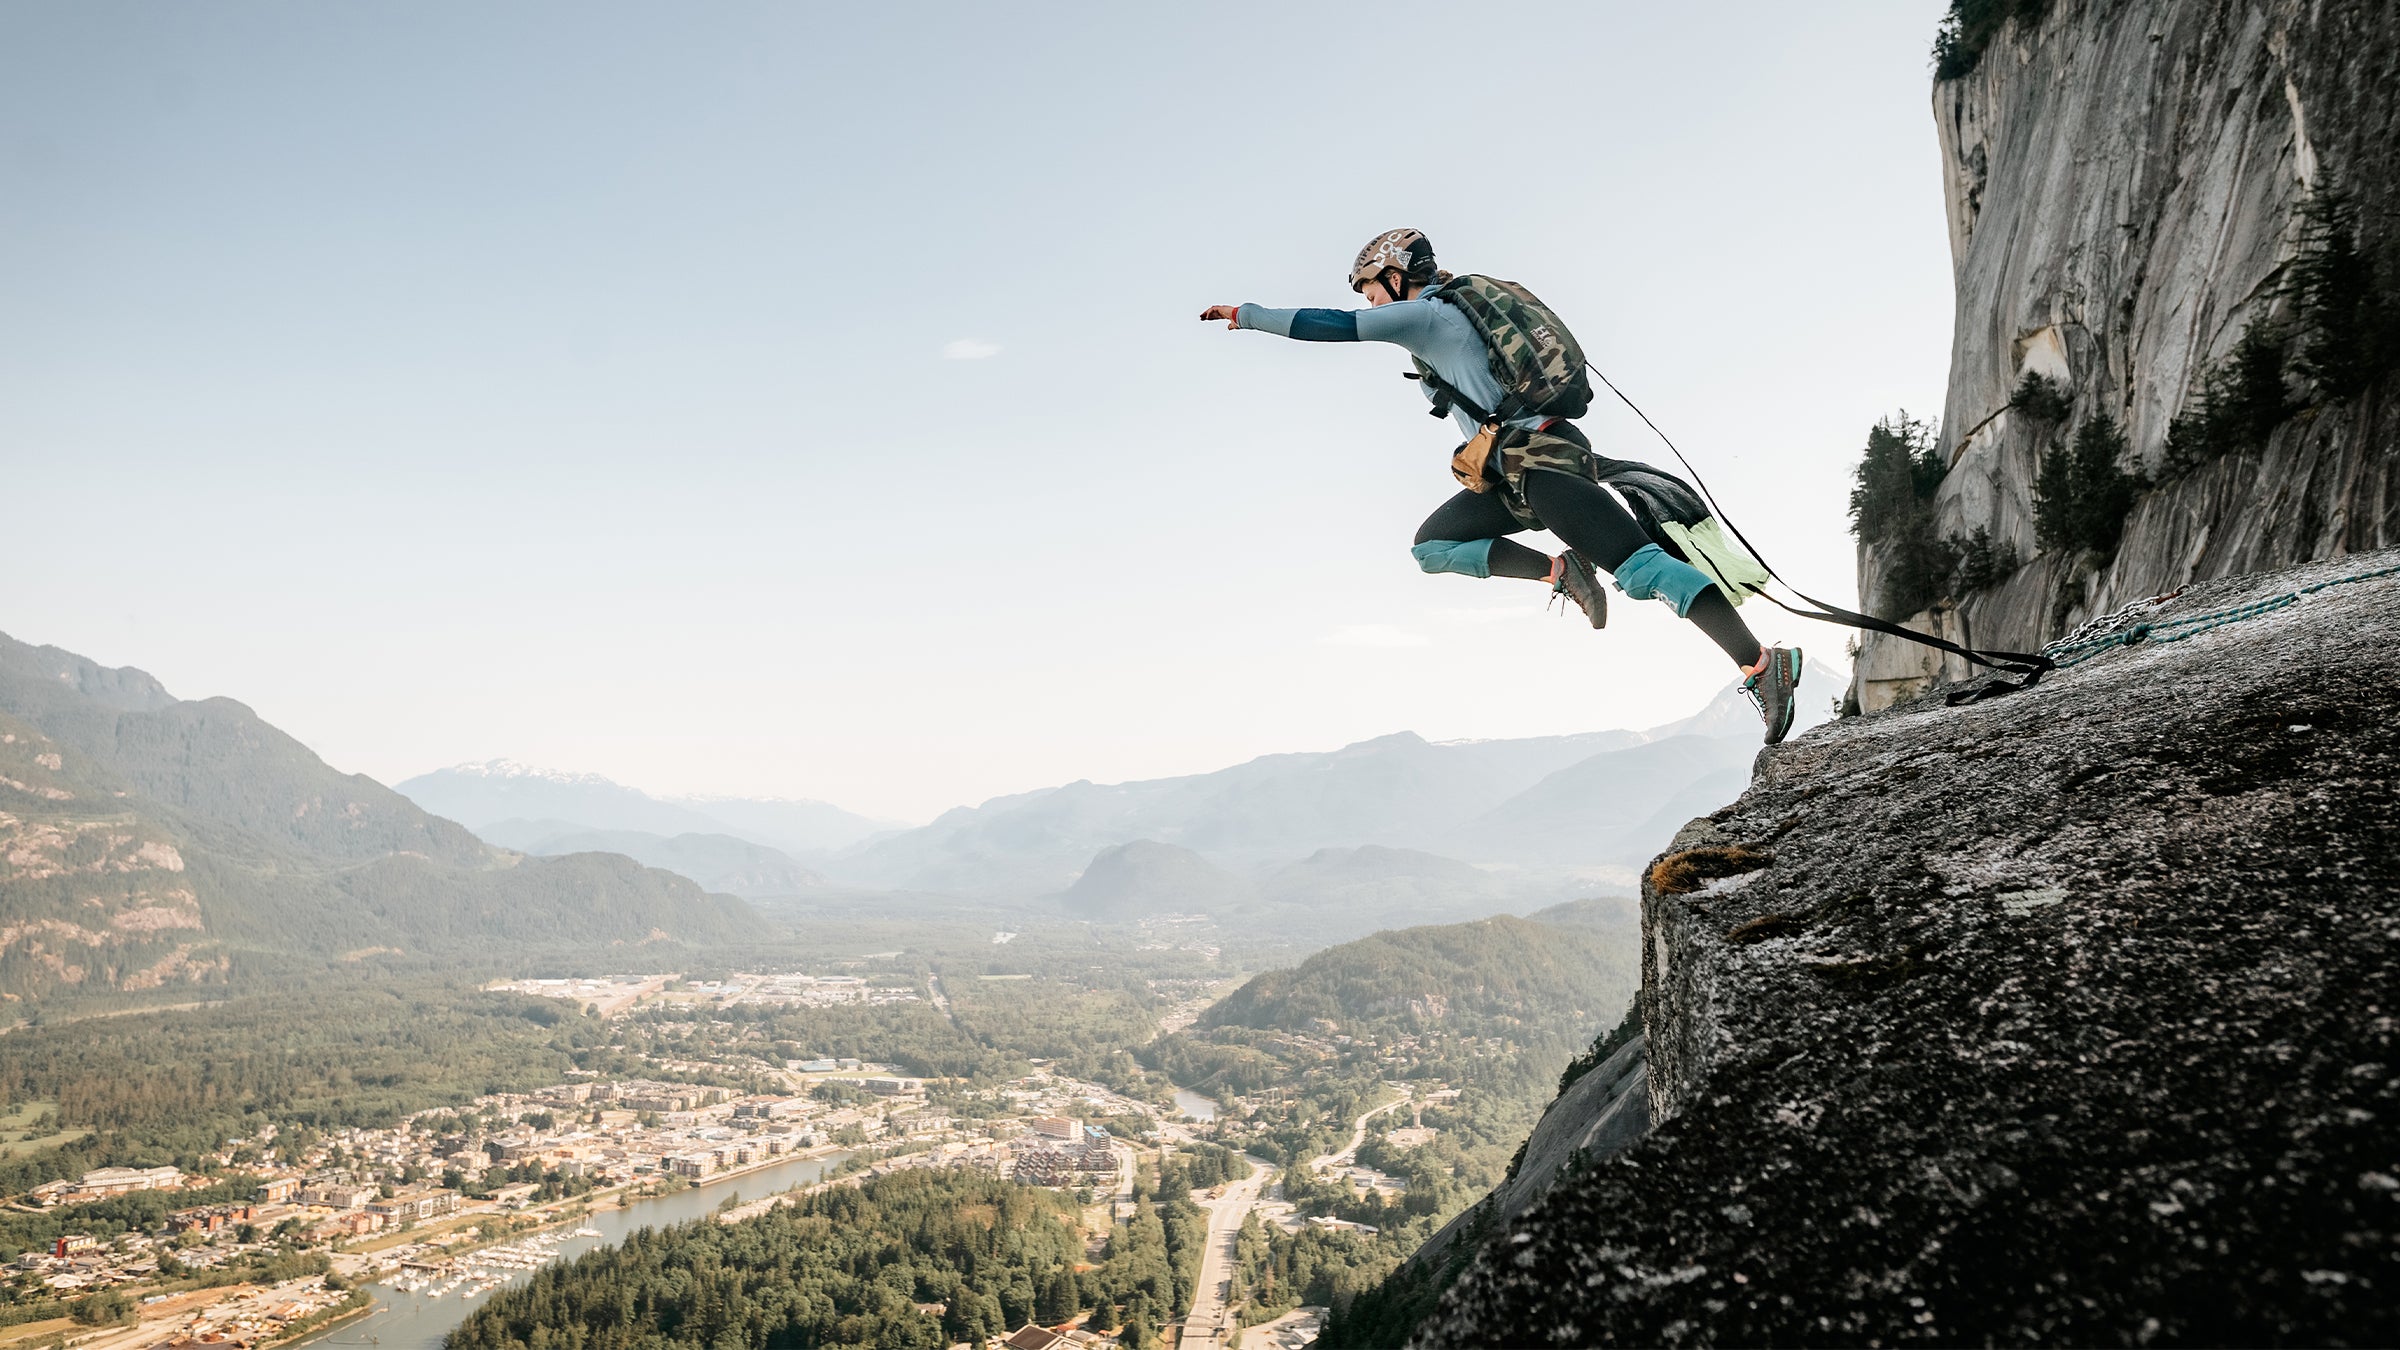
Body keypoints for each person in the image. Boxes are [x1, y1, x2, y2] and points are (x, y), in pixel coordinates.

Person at [1201, 228, 1804, 744]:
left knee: (1642, 569)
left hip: (1543, 466)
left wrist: (1244, 315)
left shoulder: (1429, 314)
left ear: (1394, 275)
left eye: (1368, 285)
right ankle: (1561, 572)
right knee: (1433, 546)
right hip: (1509, 475)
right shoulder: (1447, 315)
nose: (1366, 298)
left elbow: (1332, 326)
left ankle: (1760, 664)